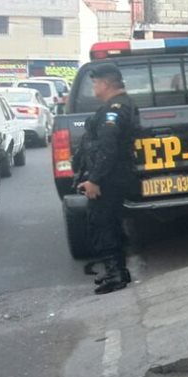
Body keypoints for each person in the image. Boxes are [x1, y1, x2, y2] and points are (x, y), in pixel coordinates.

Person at [74, 63, 139, 295]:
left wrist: (95, 180)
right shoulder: (121, 105)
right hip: (115, 175)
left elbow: (108, 149)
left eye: (95, 82)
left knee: (103, 224)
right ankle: (117, 270)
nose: (94, 86)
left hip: (109, 178)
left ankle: (116, 274)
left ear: (105, 83)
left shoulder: (114, 109)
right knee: (110, 223)